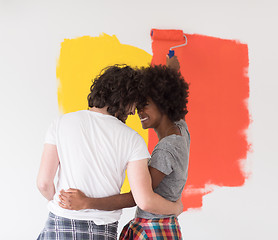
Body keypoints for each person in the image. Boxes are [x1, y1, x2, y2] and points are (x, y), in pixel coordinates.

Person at [36, 64, 183, 240]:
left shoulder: (61, 123)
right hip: (102, 231)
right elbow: (144, 200)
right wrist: (176, 208)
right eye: (134, 105)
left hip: (58, 225)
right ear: (126, 99)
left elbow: (43, 183)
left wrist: (60, 204)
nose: (132, 112)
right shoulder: (132, 139)